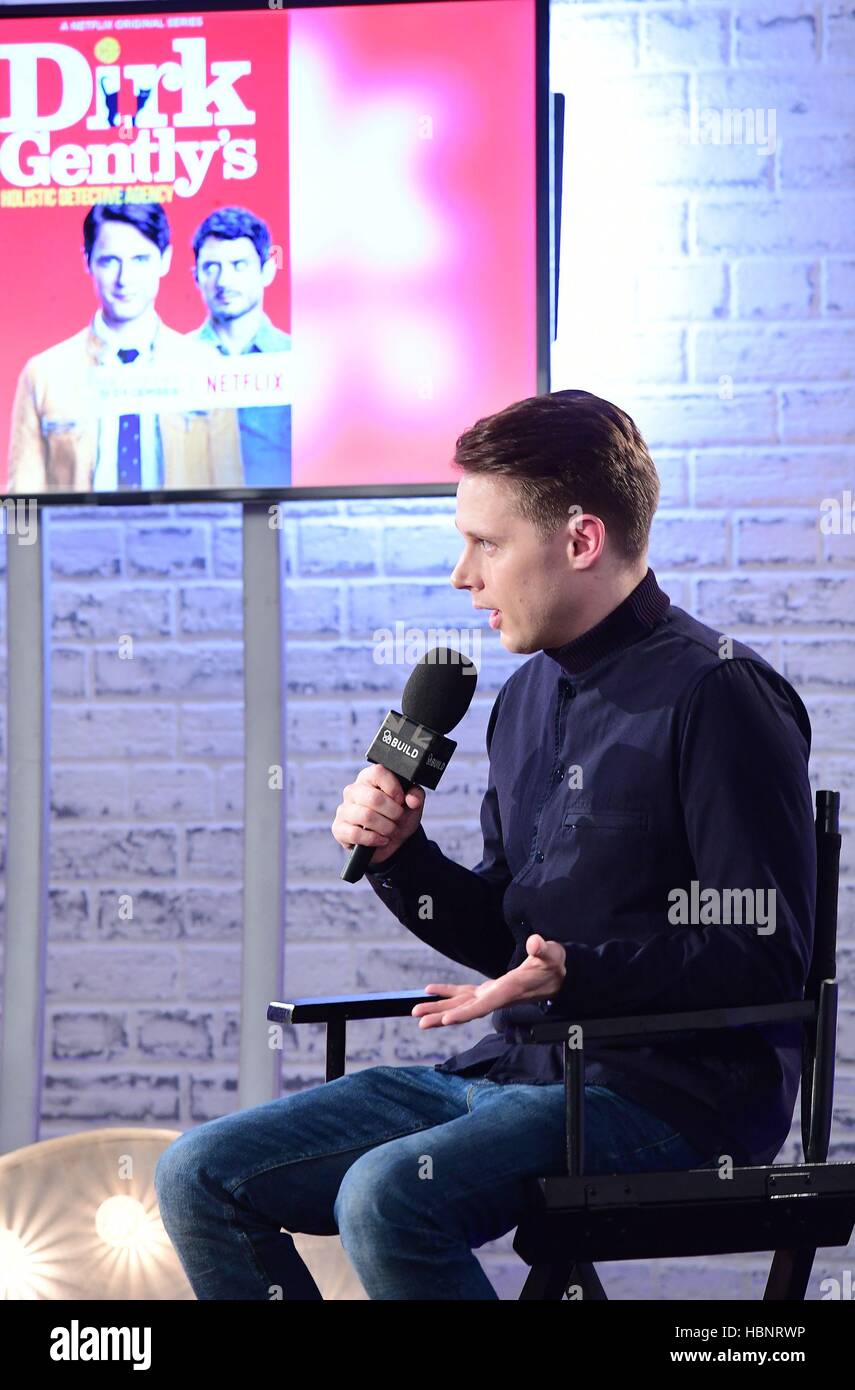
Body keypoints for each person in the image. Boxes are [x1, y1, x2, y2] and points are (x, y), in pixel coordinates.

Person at [155, 390, 816, 1300]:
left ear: (581, 540)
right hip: (514, 1069)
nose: (462, 575)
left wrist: (574, 973)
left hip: (669, 1095)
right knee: (200, 1173)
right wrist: (401, 860)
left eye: (486, 544)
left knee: (387, 1196)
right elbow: (510, 931)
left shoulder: (720, 695)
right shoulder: (523, 702)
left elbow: (764, 952)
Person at [6, 202, 242, 494]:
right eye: (109, 261)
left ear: (165, 260)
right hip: (78, 537)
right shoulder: (45, 374)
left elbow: (233, 495)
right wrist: (22, 541)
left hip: (181, 537)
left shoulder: (207, 368)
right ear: (88, 261)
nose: (124, 279)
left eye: (140, 259)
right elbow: (21, 501)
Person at [191, 205, 292, 488]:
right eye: (211, 267)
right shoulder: (173, 360)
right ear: (196, 276)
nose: (224, 281)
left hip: (279, 512)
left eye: (239, 265)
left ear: (267, 271)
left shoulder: (296, 359)